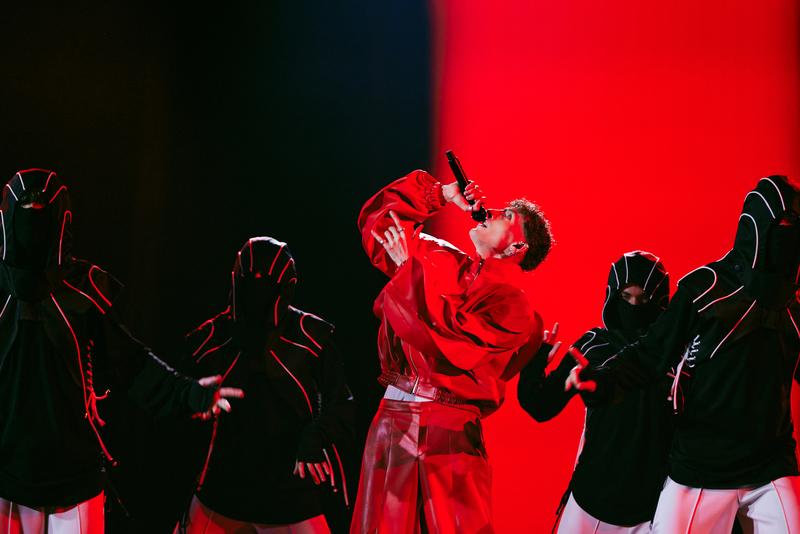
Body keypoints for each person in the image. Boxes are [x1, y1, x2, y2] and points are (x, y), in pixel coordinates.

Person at [0, 168, 242, 533]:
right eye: (26, 209)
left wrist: (189, 394)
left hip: (74, 480)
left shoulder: (84, 293)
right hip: (7, 478)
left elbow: (132, 364)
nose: (33, 221)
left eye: (41, 210)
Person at [567, 175, 800, 532]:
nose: (789, 235)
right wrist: (602, 380)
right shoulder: (707, 288)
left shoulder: (793, 310)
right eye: (782, 225)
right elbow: (651, 352)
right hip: (701, 468)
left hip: (770, 466)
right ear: (758, 225)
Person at [353, 169, 552, 533]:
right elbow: (377, 225)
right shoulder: (438, 257)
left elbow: (444, 342)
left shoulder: (514, 309)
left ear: (515, 248)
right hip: (393, 417)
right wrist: (441, 194)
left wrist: (406, 273)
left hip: (449, 433)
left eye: (506, 216)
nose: (490, 211)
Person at [179, 237, 355, 534]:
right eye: (250, 286)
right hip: (221, 490)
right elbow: (177, 401)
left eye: (266, 288)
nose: (257, 297)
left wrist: (317, 436)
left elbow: (342, 403)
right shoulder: (210, 340)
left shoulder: (311, 338)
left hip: (289, 495)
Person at [518, 251, 672, 532]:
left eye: (644, 298)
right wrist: (534, 359)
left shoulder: (674, 357)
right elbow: (540, 404)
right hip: (590, 501)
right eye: (626, 297)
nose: (635, 306)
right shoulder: (592, 347)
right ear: (613, 296)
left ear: (659, 303)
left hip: (649, 510)